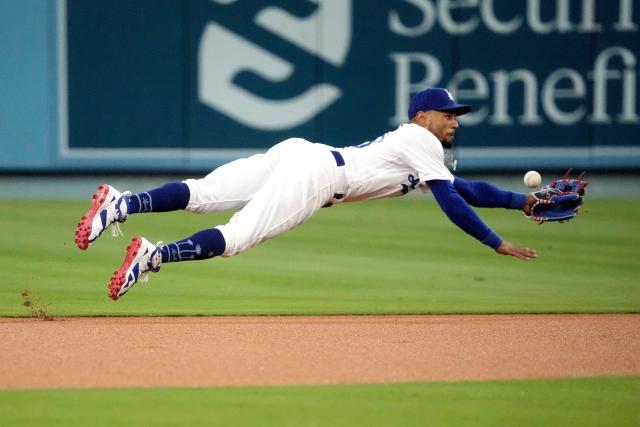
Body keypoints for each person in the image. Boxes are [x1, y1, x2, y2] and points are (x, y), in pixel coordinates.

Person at [75, 87, 538, 300]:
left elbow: (466, 189)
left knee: (203, 192)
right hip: (318, 176)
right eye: (448, 113)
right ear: (422, 117)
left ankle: (123, 204)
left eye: (457, 114)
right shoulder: (421, 140)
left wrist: (523, 202)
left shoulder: (419, 149)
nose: (454, 120)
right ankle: (153, 256)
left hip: (303, 154)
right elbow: (452, 201)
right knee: (237, 237)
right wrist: (494, 242)